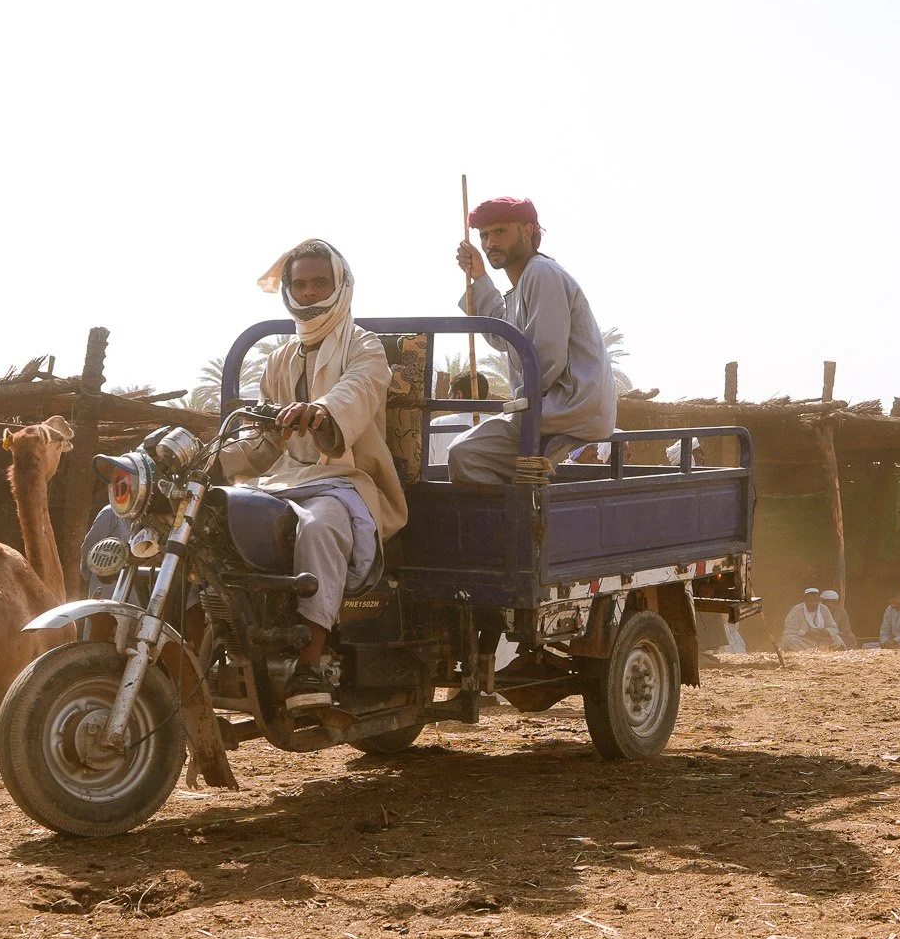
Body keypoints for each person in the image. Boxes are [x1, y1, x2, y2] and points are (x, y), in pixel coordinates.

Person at [223, 240, 410, 709]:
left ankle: (309, 663)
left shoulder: (365, 347)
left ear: (340, 285)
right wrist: (211, 460)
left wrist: (321, 412)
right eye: (300, 284)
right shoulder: (278, 358)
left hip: (345, 480)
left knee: (321, 525)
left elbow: (357, 393)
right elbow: (263, 441)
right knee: (214, 520)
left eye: (319, 283)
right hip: (282, 481)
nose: (309, 293)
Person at [449, 197, 616, 483]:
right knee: (466, 452)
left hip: (570, 405)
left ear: (528, 231)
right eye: (484, 235)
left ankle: (518, 521)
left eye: (500, 232)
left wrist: (519, 407)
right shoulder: (526, 280)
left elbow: (545, 361)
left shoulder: (541, 273)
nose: (489, 243)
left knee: (467, 453)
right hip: (553, 406)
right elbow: (504, 336)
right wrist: (479, 276)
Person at [428, 371, 490, 468]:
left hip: (443, 481)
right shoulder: (497, 423)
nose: (449, 399)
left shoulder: (437, 423)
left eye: (450, 395)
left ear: (459, 395)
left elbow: (429, 464)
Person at [780, 588, 845, 651]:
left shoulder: (824, 609)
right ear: (805, 600)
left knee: (837, 639)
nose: (813, 603)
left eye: (815, 601)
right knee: (788, 639)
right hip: (804, 640)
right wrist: (806, 633)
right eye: (810, 600)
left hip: (821, 640)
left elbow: (834, 628)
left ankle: (818, 649)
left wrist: (826, 631)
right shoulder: (797, 610)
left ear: (819, 601)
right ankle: (819, 649)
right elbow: (788, 631)